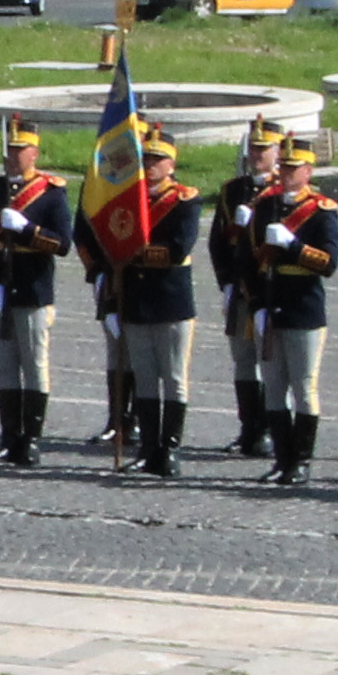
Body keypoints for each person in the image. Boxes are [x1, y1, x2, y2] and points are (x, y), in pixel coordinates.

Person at [85, 129, 201, 478]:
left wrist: (131, 254)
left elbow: (178, 247)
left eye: (158, 160)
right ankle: (149, 449)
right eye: (146, 159)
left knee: (174, 377)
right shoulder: (128, 199)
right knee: (146, 379)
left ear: (172, 164)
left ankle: (171, 448)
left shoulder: (185, 200)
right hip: (135, 298)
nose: (151, 166)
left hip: (170, 298)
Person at [0, 116, 75, 468]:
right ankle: (8, 437)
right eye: (9, 149)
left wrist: (28, 229)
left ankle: (32, 439)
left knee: (34, 365)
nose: (13, 155)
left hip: (32, 289)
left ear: (34, 153)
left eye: (20, 149)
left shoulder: (51, 192)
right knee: (5, 367)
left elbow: (63, 244)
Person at [249, 136, 338, 486]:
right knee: (273, 387)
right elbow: (250, 262)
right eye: (283, 167)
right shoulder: (267, 206)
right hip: (271, 303)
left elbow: (329, 262)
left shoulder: (321, 211)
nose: (286, 173)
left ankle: (300, 461)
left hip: (304, 307)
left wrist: (294, 245)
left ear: (308, 171)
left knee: (303, 387)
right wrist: (256, 304)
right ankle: (281, 459)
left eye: (293, 168)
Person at [209, 119, 282, 458]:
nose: (256, 155)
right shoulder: (233, 190)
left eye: (264, 149)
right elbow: (217, 244)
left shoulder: (283, 192)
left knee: (270, 363)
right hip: (240, 289)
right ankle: (247, 427)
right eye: (253, 148)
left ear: (278, 152)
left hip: (271, 290)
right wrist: (225, 281)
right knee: (242, 361)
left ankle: (267, 428)